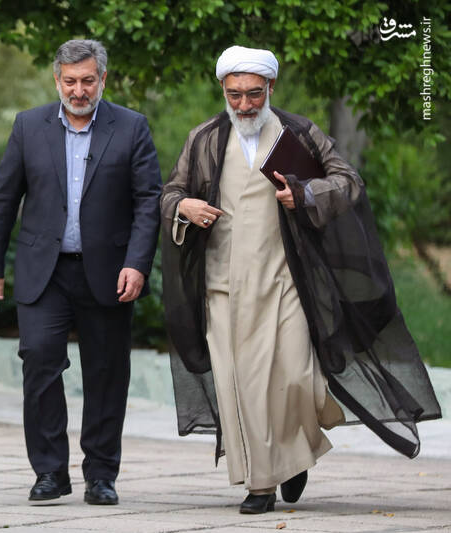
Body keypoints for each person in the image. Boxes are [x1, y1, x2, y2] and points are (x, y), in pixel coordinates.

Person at [160, 45, 440, 514]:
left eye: (253, 93)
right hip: (223, 285)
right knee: (240, 386)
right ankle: (263, 483)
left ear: (271, 87)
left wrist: (306, 193)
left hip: (286, 281)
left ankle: (292, 456)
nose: (244, 104)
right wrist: (183, 206)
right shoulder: (204, 138)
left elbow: (348, 181)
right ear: (223, 90)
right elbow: (171, 192)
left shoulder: (300, 133)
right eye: (234, 95)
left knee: (295, 379)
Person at [0, 39, 161, 505]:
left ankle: (101, 475)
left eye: (88, 81)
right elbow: (4, 200)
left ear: (103, 79)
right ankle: (49, 472)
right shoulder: (28, 126)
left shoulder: (132, 127)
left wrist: (137, 263)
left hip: (109, 272)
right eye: (70, 81)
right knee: (39, 360)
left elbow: (148, 202)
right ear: (57, 79)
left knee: (107, 373)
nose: (79, 91)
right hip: (45, 272)